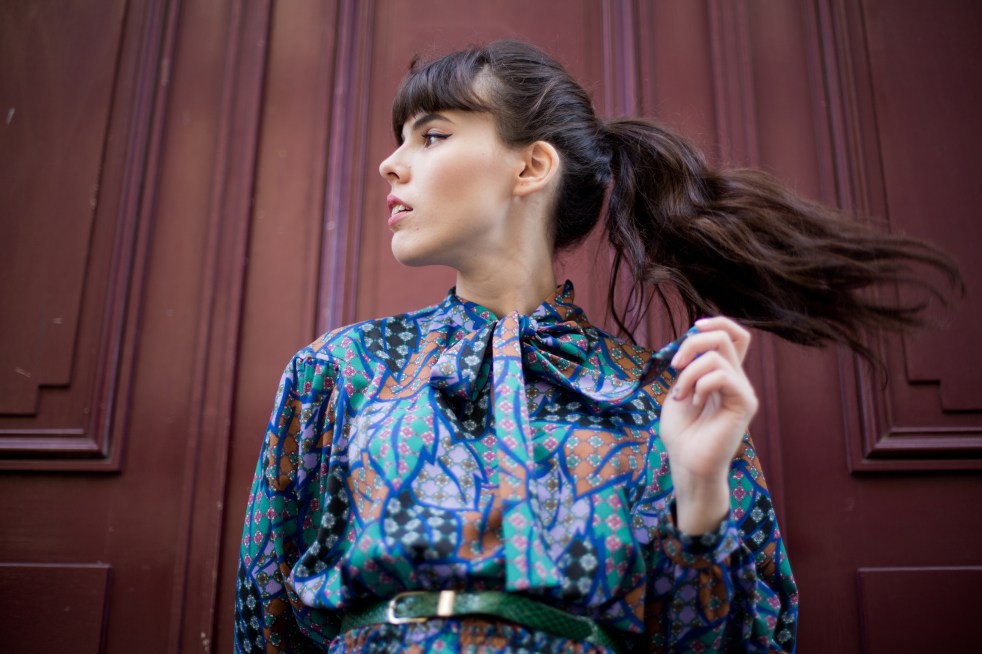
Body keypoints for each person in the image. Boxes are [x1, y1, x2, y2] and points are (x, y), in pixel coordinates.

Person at [233, 41, 961, 653]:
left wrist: (700, 496)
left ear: (530, 167)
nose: (391, 164)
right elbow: (265, 612)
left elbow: (744, 642)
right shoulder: (340, 370)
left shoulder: (665, 400)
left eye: (432, 135)